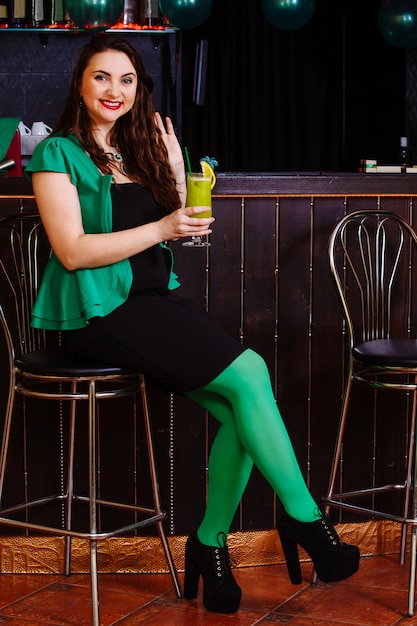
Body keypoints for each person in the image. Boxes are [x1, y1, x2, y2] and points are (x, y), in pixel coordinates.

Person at [25, 34, 359, 615]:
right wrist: (161, 228)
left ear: (139, 90)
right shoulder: (57, 152)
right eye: (103, 77)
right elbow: (73, 251)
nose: (115, 90)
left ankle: (209, 545)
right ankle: (309, 523)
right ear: (80, 82)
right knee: (251, 373)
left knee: (242, 405)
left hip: (159, 302)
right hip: (101, 311)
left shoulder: (140, 150)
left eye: (127, 80)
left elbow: (188, 228)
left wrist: (177, 174)